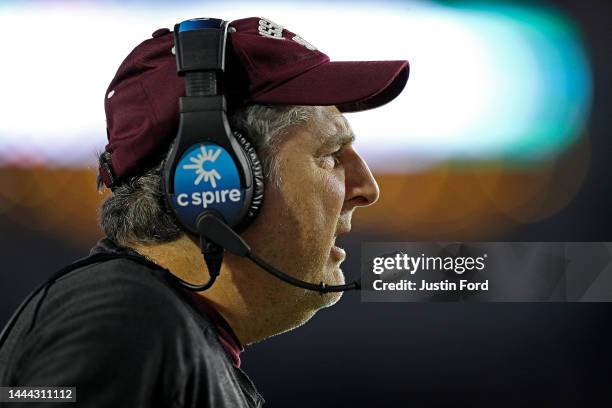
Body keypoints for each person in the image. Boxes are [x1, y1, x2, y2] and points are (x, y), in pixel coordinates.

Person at [0, 17, 408, 407]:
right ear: (219, 180)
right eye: (332, 156)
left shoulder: (161, 326)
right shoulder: (126, 321)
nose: (367, 189)